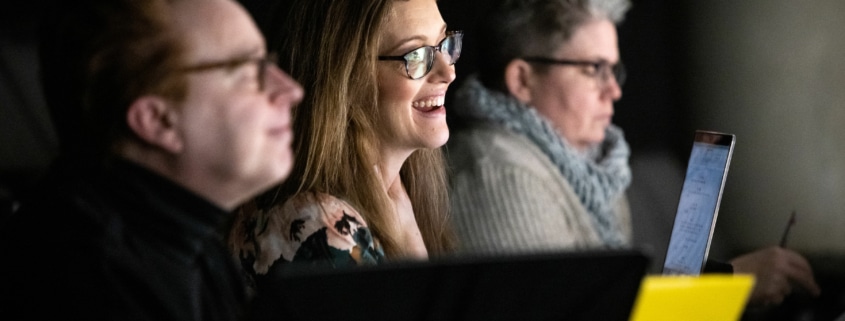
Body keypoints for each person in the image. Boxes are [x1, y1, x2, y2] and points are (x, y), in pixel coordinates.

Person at [445, 0, 820, 307]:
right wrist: (728, 287)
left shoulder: (591, 168)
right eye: (594, 69)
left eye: (614, 70)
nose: (614, 90)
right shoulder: (500, 173)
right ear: (523, 80)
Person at [0, 0, 303, 319]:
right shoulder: (92, 283)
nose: (291, 90)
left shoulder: (192, 244)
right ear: (157, 120)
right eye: (248, 70)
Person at [227, 0, 458, 281]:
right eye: (416, 55)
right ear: (348, 77)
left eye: (445, 44)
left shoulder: (403, 194)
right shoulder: (321, 225)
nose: (449, 72)